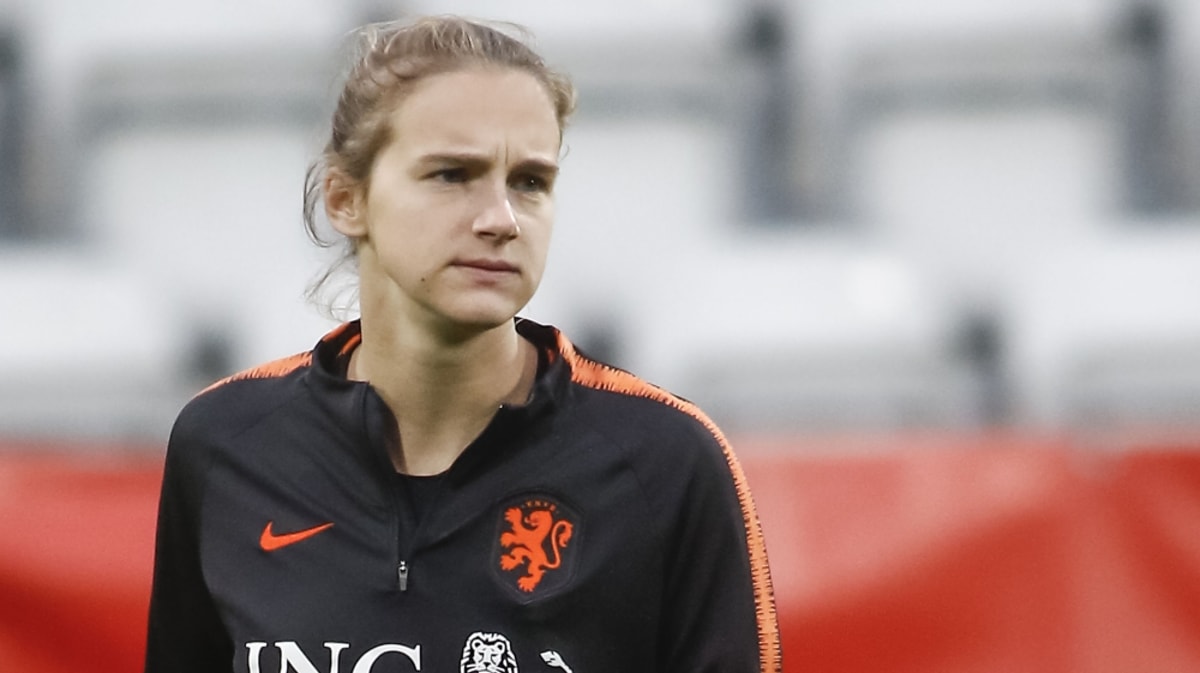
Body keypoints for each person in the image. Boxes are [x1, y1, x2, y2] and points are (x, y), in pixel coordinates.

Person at [144, 15, 781, 673]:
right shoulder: (225, 446)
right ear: (345, 198)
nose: (501, 220)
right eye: (452, 174)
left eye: (530, 181)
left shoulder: (665, 463)